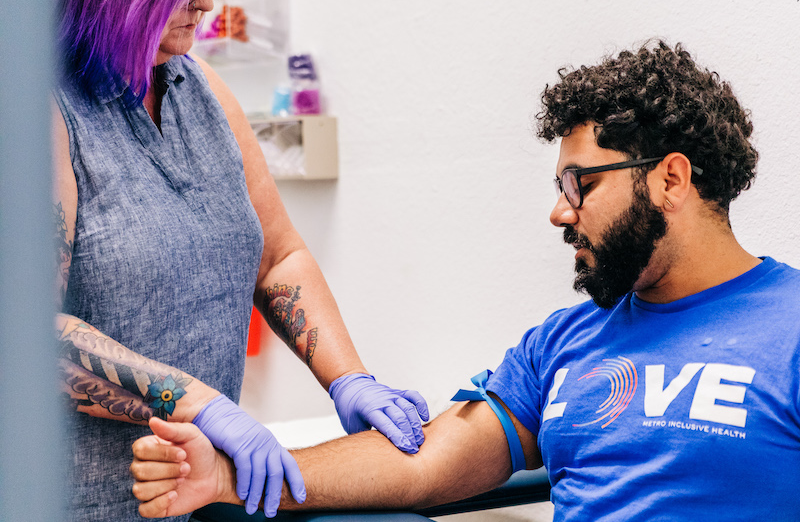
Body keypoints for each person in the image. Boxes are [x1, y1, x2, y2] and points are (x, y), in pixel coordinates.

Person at [130, 40, 800, 520]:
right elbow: (424, 462)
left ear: (671, 179)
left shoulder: (788, 328)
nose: (560, 211)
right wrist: (225, 473)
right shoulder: (563, 343)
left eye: (580, 184)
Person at [52, 0, 428, 521]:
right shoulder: (41, 110)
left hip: (201, 492)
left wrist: (348, 378)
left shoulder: (202, 90)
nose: (206, 2)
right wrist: (196, 403)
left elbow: (277, 257)